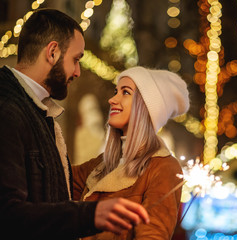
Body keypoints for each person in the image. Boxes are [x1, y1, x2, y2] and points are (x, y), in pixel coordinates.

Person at [0, 9, 149, 240]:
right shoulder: (7, 109)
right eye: (76, 59)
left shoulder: (37, 111)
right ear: (52, 52)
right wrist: (90, 216)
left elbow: (53, 194)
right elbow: (8, 215)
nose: (78, 72)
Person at [72, 66, 190, 239]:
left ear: (145, 106)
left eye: (125, 92)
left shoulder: (164, 167)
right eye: (115, 91)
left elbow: (152, 235)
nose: (112, 99)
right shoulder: (101, 165)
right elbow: (54, 180)